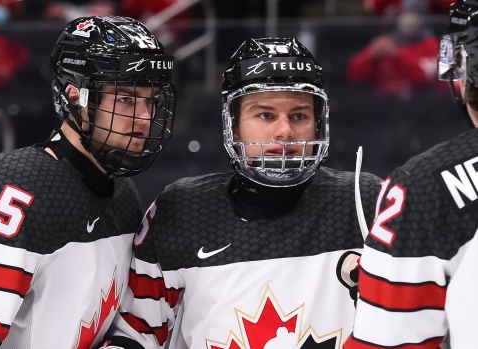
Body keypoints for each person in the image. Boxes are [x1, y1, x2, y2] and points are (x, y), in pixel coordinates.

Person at [0, 16, 177, 349]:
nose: (144, 119)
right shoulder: (16, 187)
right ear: (76, 97)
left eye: (151, 101)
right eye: (126, 100)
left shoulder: (122, 194)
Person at [99, 37, 381, 349]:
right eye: (266, 115)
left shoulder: (366, 201)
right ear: (233, 125)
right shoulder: (181, 212)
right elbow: (136, 334)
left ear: (318, 123)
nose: (285, 131)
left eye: (299, 116)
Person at [343, 0, 478, 348]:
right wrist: (375, 52)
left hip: (421, 127)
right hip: (389, 122)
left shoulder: (423, 184)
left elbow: (386, 342)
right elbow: (353, 73)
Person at [347, 0, 443, 98]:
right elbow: (354, 74)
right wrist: (371, 55)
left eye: (414, 13)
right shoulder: (385, 42)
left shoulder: (432, 44)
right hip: (382, 102)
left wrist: (398, 54)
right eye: (405, 13)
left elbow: (428, 76)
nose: (409, 19)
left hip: (417, 102)